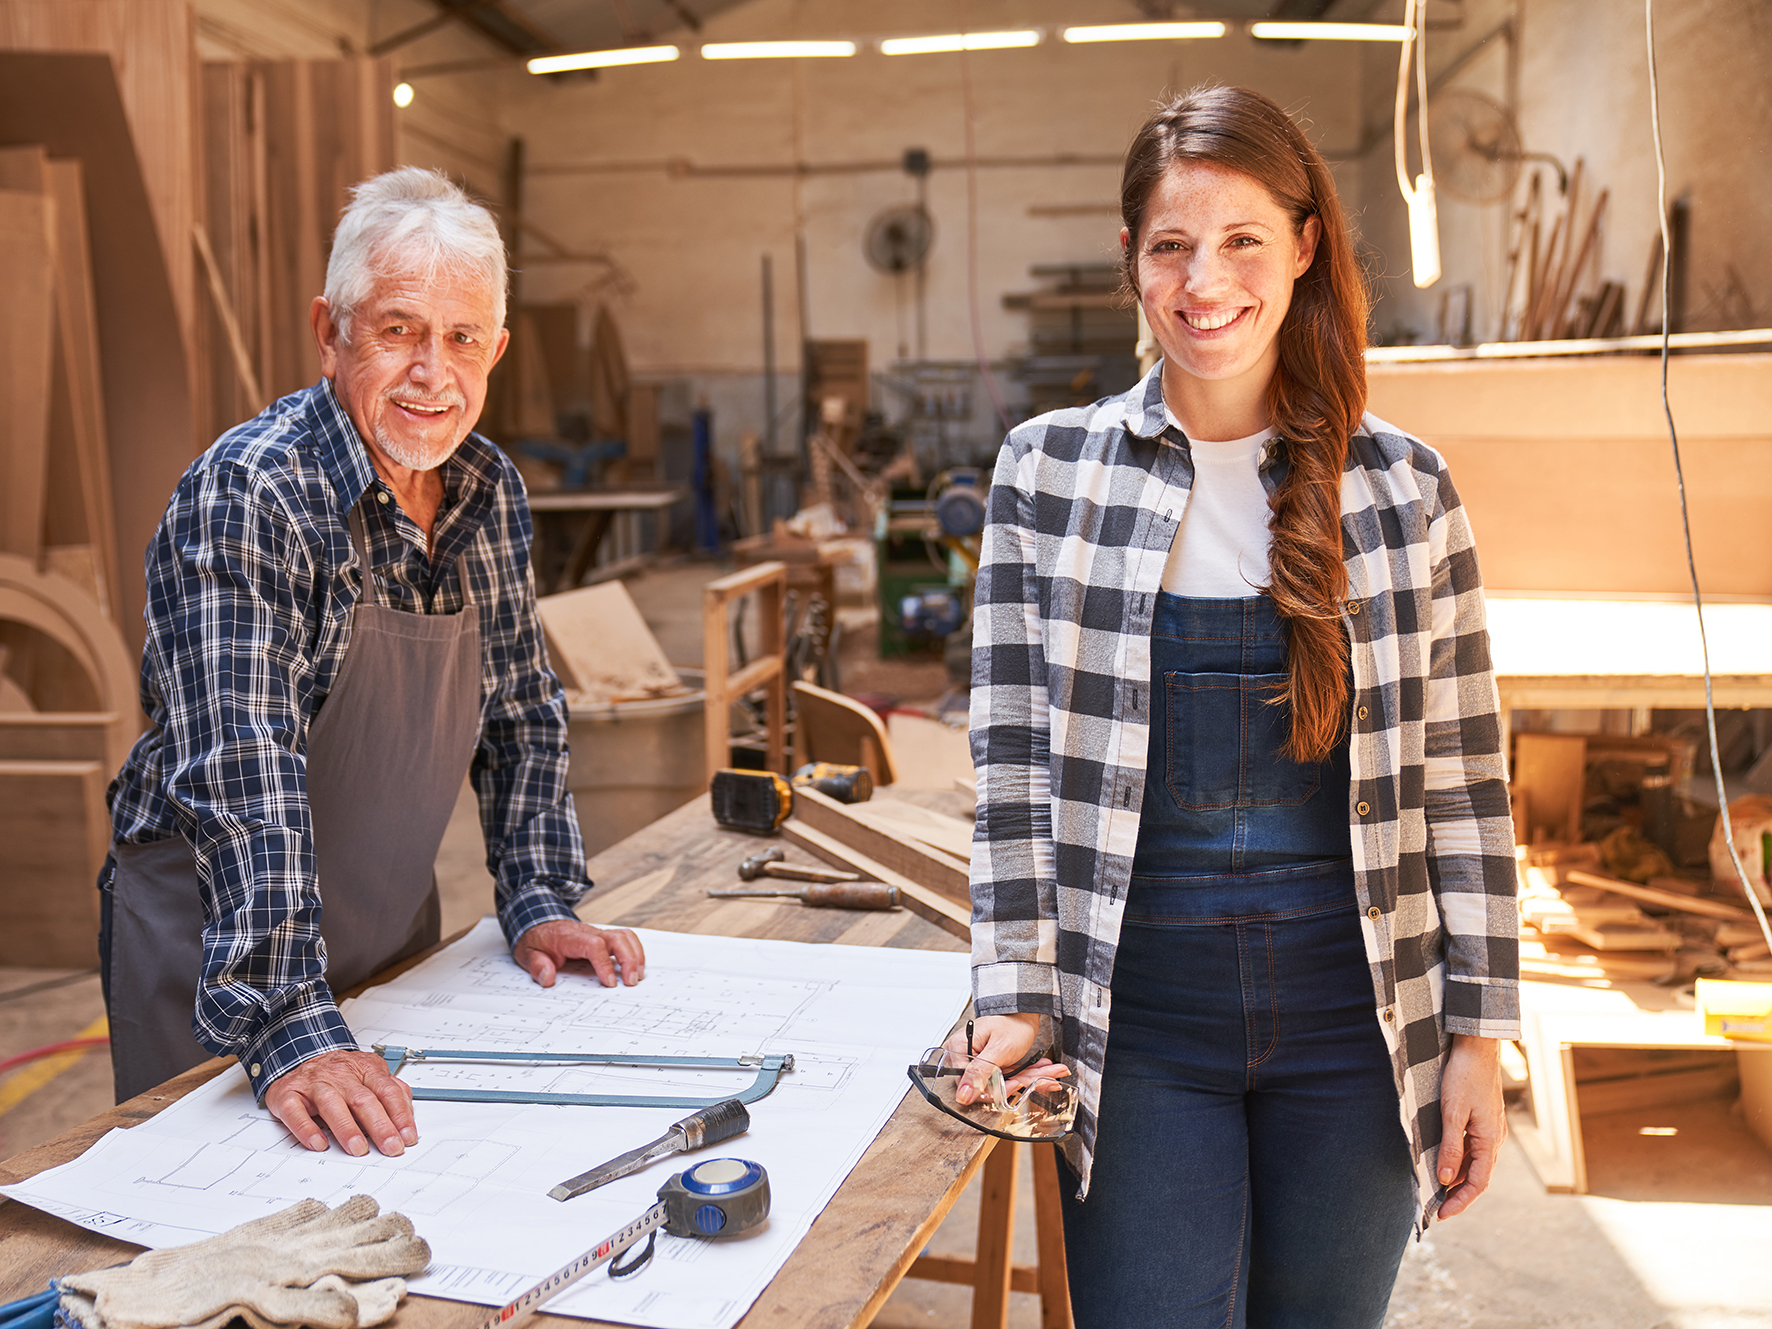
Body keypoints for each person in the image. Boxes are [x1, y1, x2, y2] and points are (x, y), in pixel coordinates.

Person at [960, 86, 1519, 1327]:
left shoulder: (1400, 487)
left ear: (1305, 244)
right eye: (1170, 245)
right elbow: (1005, 761)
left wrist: (1478, 1035)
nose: (1202, 281)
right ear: (1130, 260)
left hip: (1354, 1015)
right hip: (1137, 1013)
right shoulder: (1046, 474)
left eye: (1241, 241)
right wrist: (1013, 991)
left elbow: (1465, 774)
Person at [100, 167, 645, 1160]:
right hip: (220, 950)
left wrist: (537, 895)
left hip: (385, 925)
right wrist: (283, 1017)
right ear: (331, 330)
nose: (432, 372)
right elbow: (238, 763)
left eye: (461, 338)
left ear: (497, 351)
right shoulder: (253, 490)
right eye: (398, 329)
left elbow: (519, 708)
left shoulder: (489, 488)